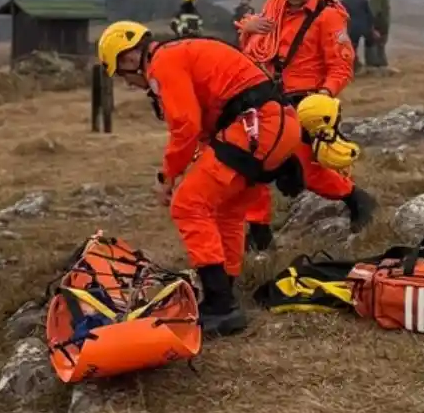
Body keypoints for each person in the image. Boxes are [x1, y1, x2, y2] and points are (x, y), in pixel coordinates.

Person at [97, 21, 303, 336]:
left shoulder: (163, 64)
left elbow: (185, 127)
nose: (128, 84)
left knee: (188, 204)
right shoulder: (179, 54)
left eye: (122, 75)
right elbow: (205, 124)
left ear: (127, 59)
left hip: (256, 126)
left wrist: (166, 176)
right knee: (227, 209)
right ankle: (224, 290)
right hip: (274, 126)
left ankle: (221, 304)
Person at [236, 0, 378, 251]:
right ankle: (259, 231)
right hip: (271, 97)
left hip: (308, 100)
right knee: (254, 160)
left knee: (306, 168)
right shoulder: (274, 7)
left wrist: (324, 97)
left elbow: (341, 65)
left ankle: (357, 199)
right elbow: (255, 51)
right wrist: (249, 31)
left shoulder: (329, 15)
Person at [340, 0, 374, 73]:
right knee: (370, 45)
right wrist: (371, 27)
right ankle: (371, 65)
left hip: (351, 28)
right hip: (364, 27)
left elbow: (341, 15)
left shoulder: (344, 0)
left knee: (352, 47)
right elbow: (369, 14)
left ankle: (354, 67)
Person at [366, 0, 391, 68]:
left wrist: (373, 28)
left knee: (376, 48)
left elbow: (373, 13)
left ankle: (379, 68)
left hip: (378, 27)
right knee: (381, 48)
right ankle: (383, 67)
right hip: (384, 26)